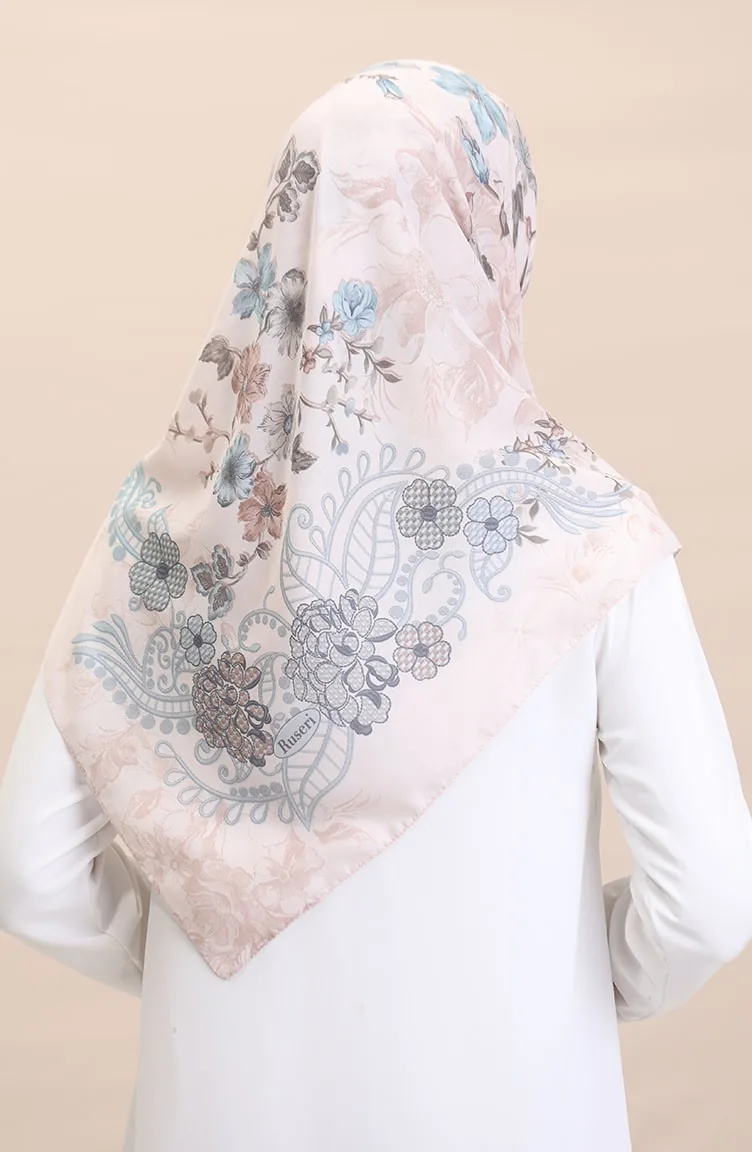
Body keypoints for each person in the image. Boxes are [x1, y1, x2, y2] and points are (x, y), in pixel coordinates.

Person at [1, 58, 751, 1152]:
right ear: (490, 237)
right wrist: (567, 985)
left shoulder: (160, 530)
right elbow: (707, 902)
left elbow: (29, 869)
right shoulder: (591, 537)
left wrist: (207, 951)